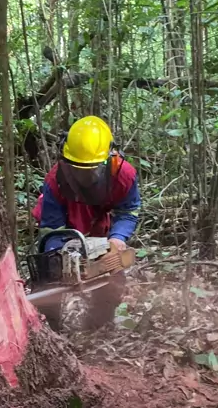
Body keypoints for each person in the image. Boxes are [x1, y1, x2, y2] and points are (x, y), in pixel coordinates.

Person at [32, 116, 141, 328]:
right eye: (78, 169)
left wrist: (118, 238)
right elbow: (51, 229)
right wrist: (59, 256)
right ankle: (51, 327)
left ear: (110, 158)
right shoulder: (55, 181)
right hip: (68, 226)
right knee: (48, 275)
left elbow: (128, 210)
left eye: (92, 169)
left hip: (99, 225)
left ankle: (99, 324)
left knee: (112, 275)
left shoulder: (123, 175)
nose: (85, 176)